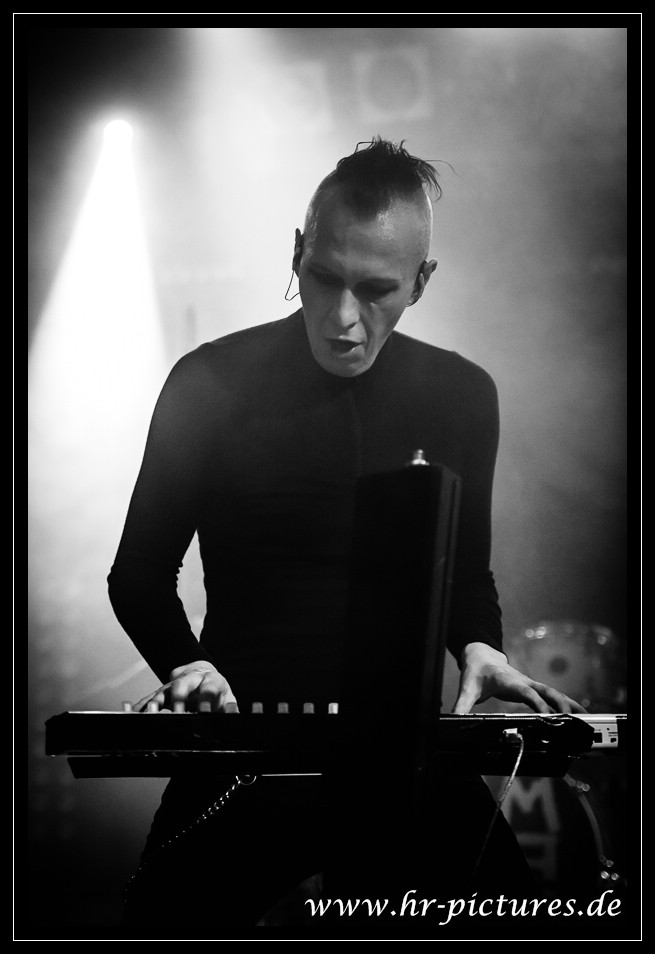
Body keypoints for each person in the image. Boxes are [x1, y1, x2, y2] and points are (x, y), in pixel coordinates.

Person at [107, 137, 585, 934]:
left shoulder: (462, 395)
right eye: (323, 277)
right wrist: (188, 664)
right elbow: (139, 573)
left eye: (375, 290)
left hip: (406, 755)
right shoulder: (208, 382)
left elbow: (464, 573)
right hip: (244, 748)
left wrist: (479, 645)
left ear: (420, 283)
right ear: (297, 252)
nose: (341, 318)